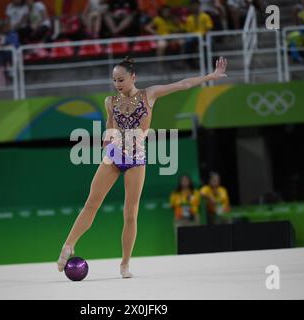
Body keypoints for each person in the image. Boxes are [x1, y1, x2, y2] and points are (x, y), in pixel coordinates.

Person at [57, 55, 227, 278]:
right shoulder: (110, 101)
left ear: (133, 77)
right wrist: (108, 139)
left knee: (130, 213)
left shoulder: (150, 94)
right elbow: (110, 123)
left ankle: (125, 264)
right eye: (114, 80)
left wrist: (211, 76)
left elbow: (182, 84)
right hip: (114, 154)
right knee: (92, 203)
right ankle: (68, 245)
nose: (117, 84)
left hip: (136, 157)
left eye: (121, 80)